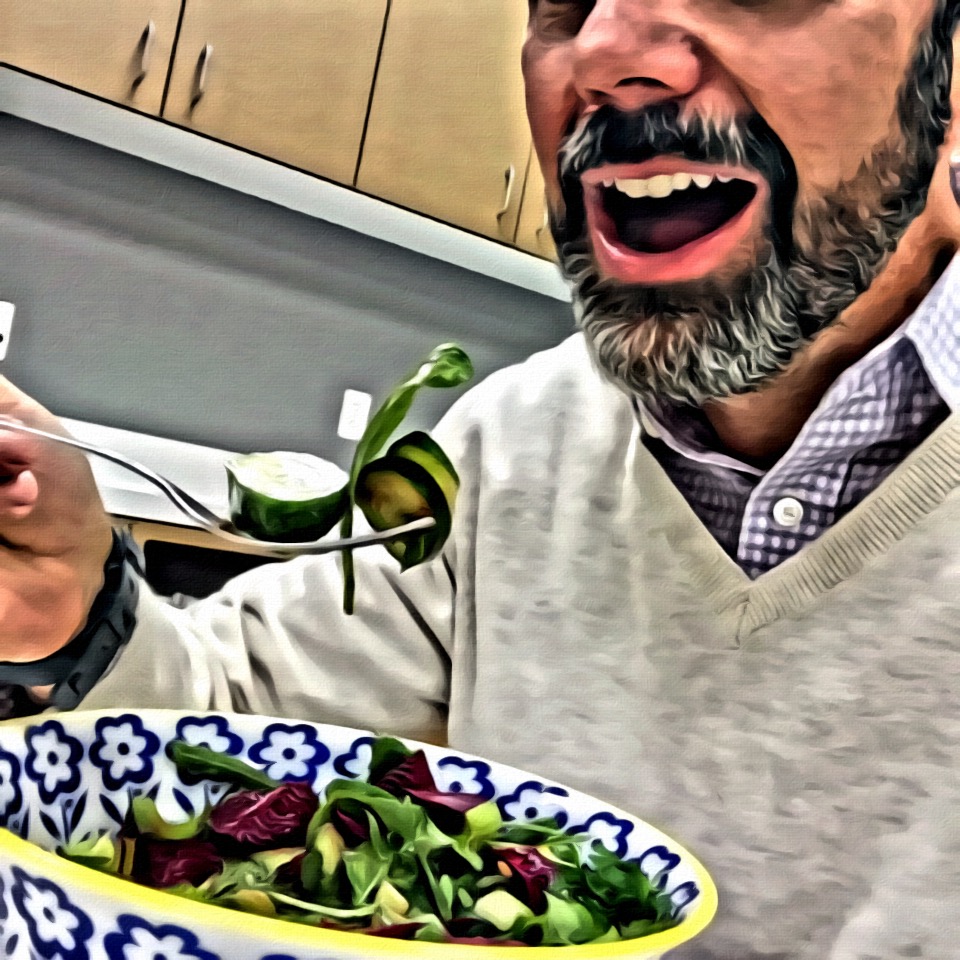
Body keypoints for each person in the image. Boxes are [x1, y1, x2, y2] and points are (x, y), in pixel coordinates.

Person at [2, 1, 960, 956]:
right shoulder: (513, 443)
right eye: (564, 6)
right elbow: (220, 730)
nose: (602, 50)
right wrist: (71, 604)